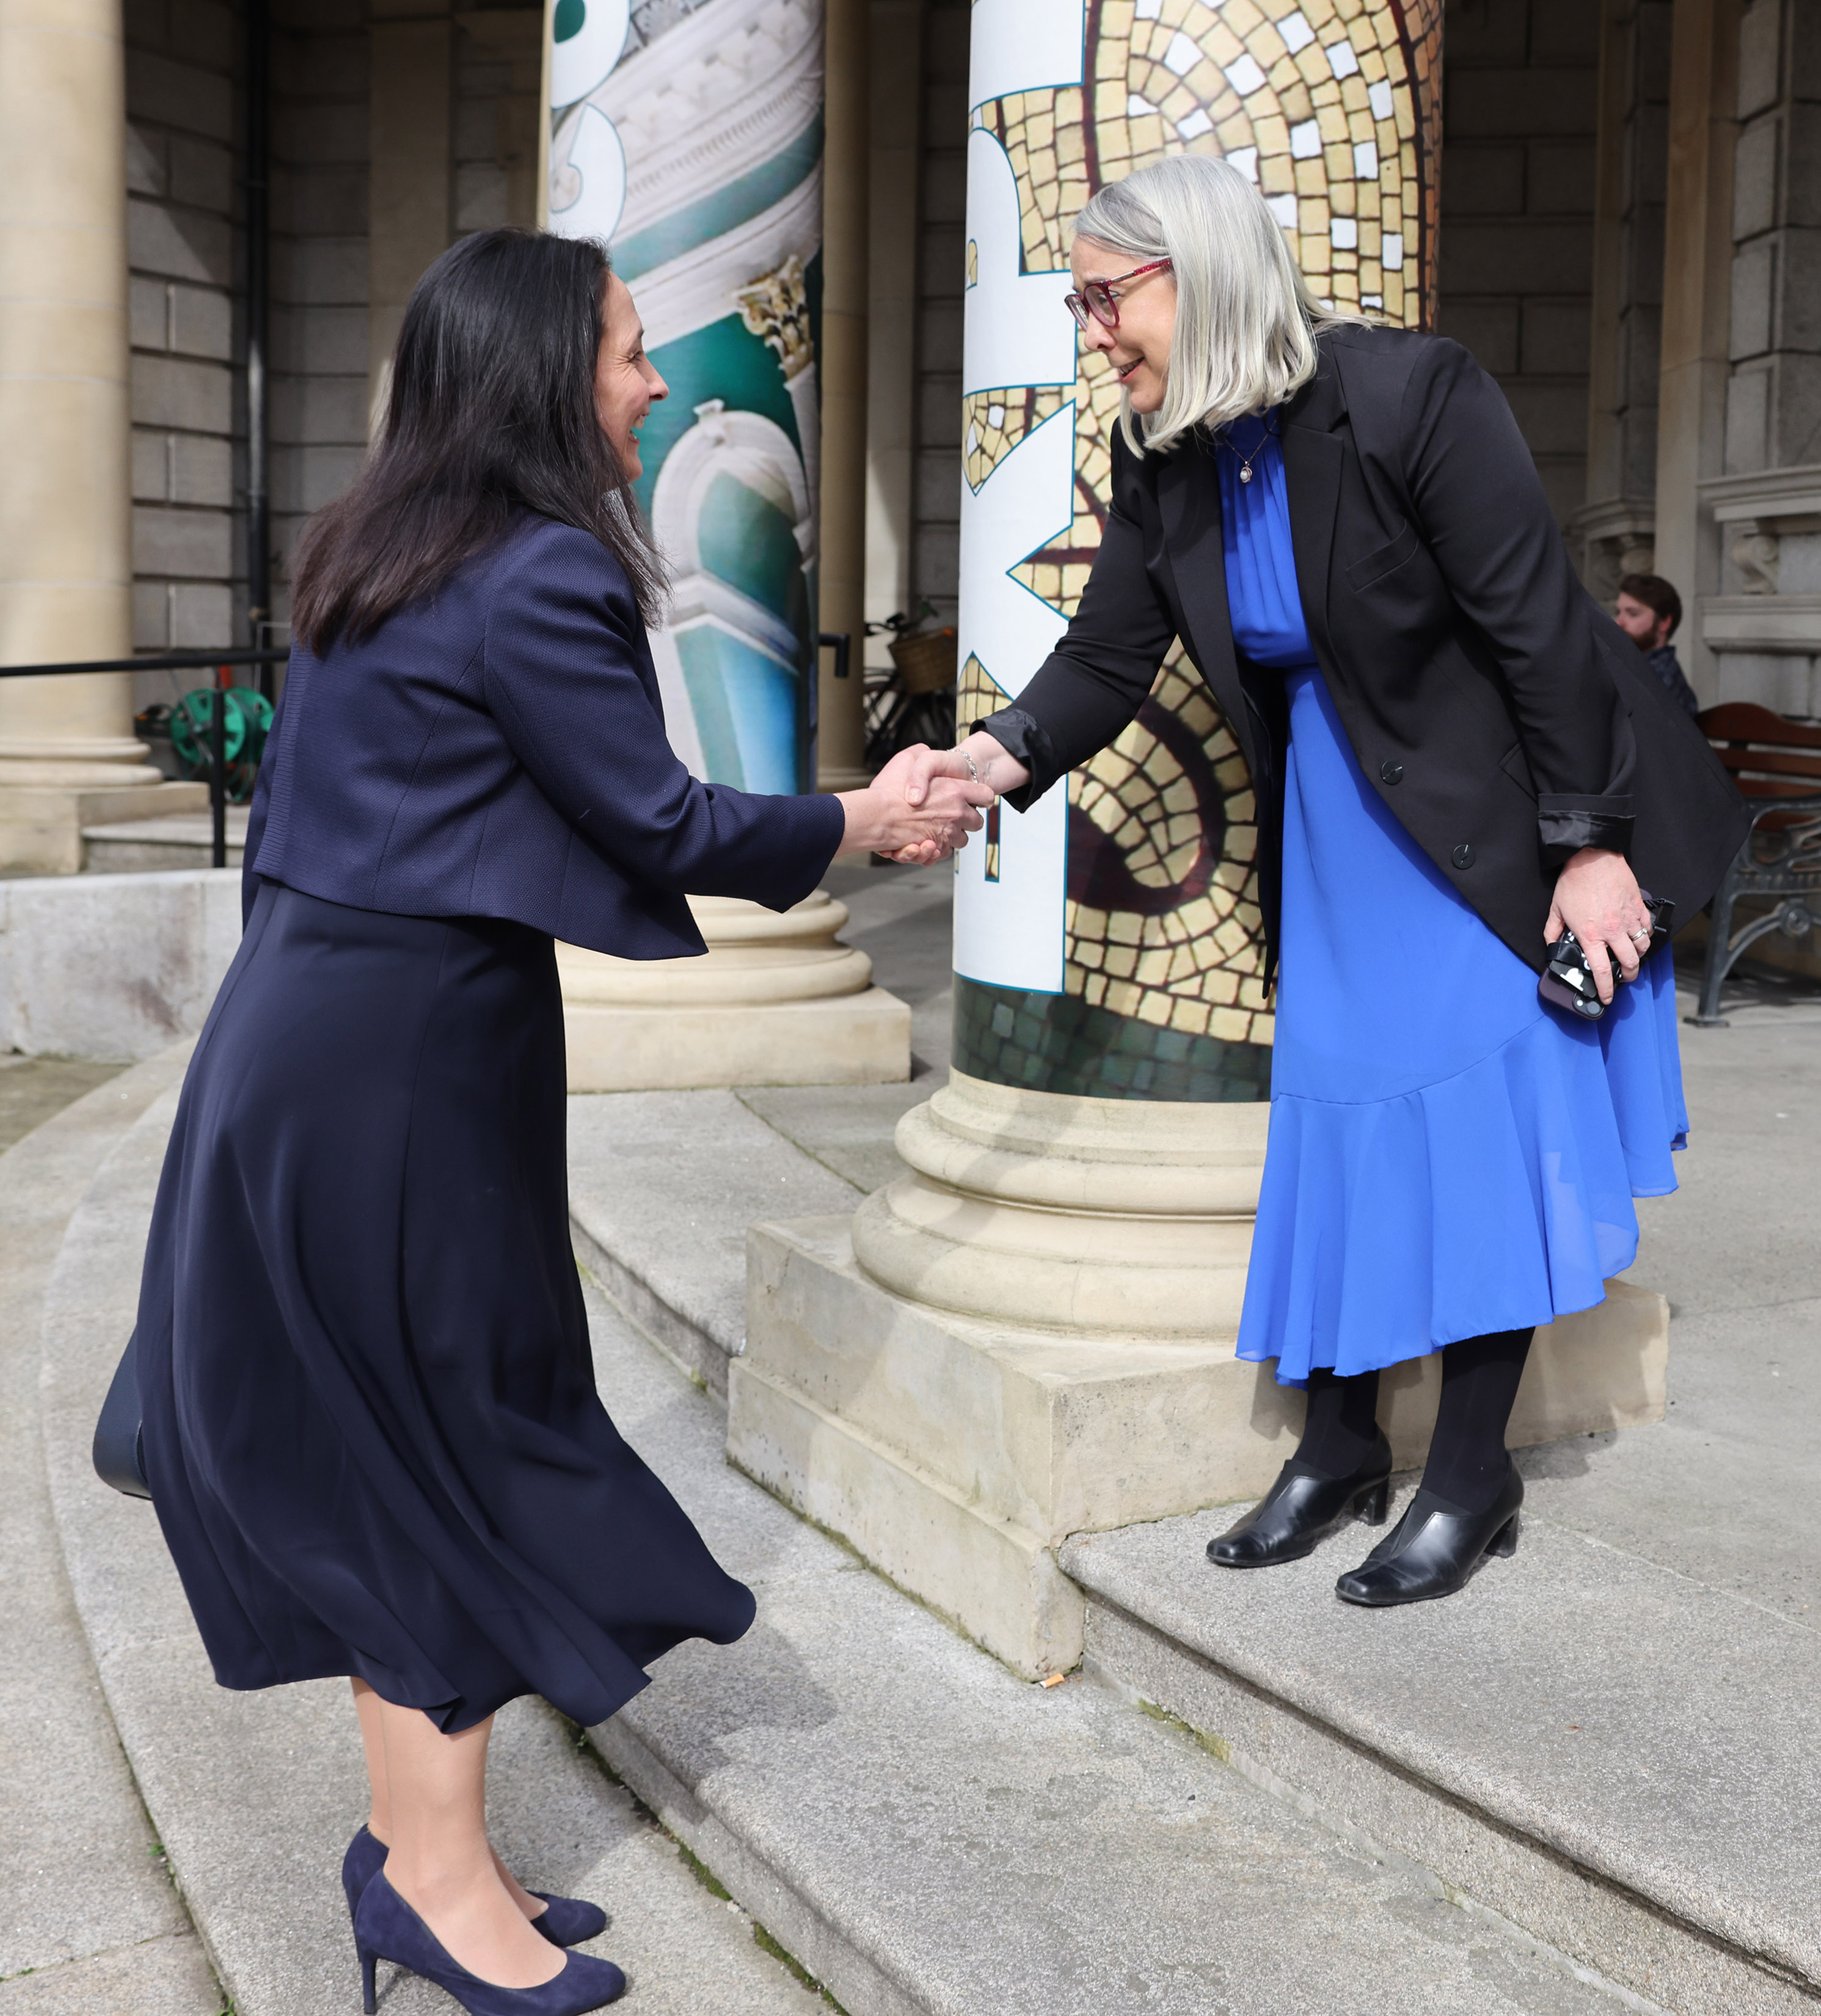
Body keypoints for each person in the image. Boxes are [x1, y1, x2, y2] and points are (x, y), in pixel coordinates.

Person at [133, 227, 988, 2016]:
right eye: (623, 348)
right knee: (438, 1435)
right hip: (395, 1070)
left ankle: (416, 1847)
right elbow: (662, 822)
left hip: (321, 1034)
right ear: (538, 372)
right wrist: (861, 819)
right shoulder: (535, 576)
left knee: (414, 1419)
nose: (653, 379)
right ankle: (428, 1884)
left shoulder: (376, 553)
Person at [910, 156, 1746, 1609]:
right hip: (1335, 824)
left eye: (1108, 297)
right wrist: (988, 759)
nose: (1092, 330)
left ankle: (1467, 1475)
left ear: (1204, 273)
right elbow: (1110, 655)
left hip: (1490, 814)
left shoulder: (1409, 396)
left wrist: (1588, 844)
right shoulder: (1157, 451)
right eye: (1081, 302)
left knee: (1467, 1127)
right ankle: (1336, 1443)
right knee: (1342, 1124)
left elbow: (1540, 630)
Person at [1613, 571, 1701, 717]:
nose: (1618, 622)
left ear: (1664, 623)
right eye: (1618, 612)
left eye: (1633, 614)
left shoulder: (1661, 677)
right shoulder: (1633, 666)